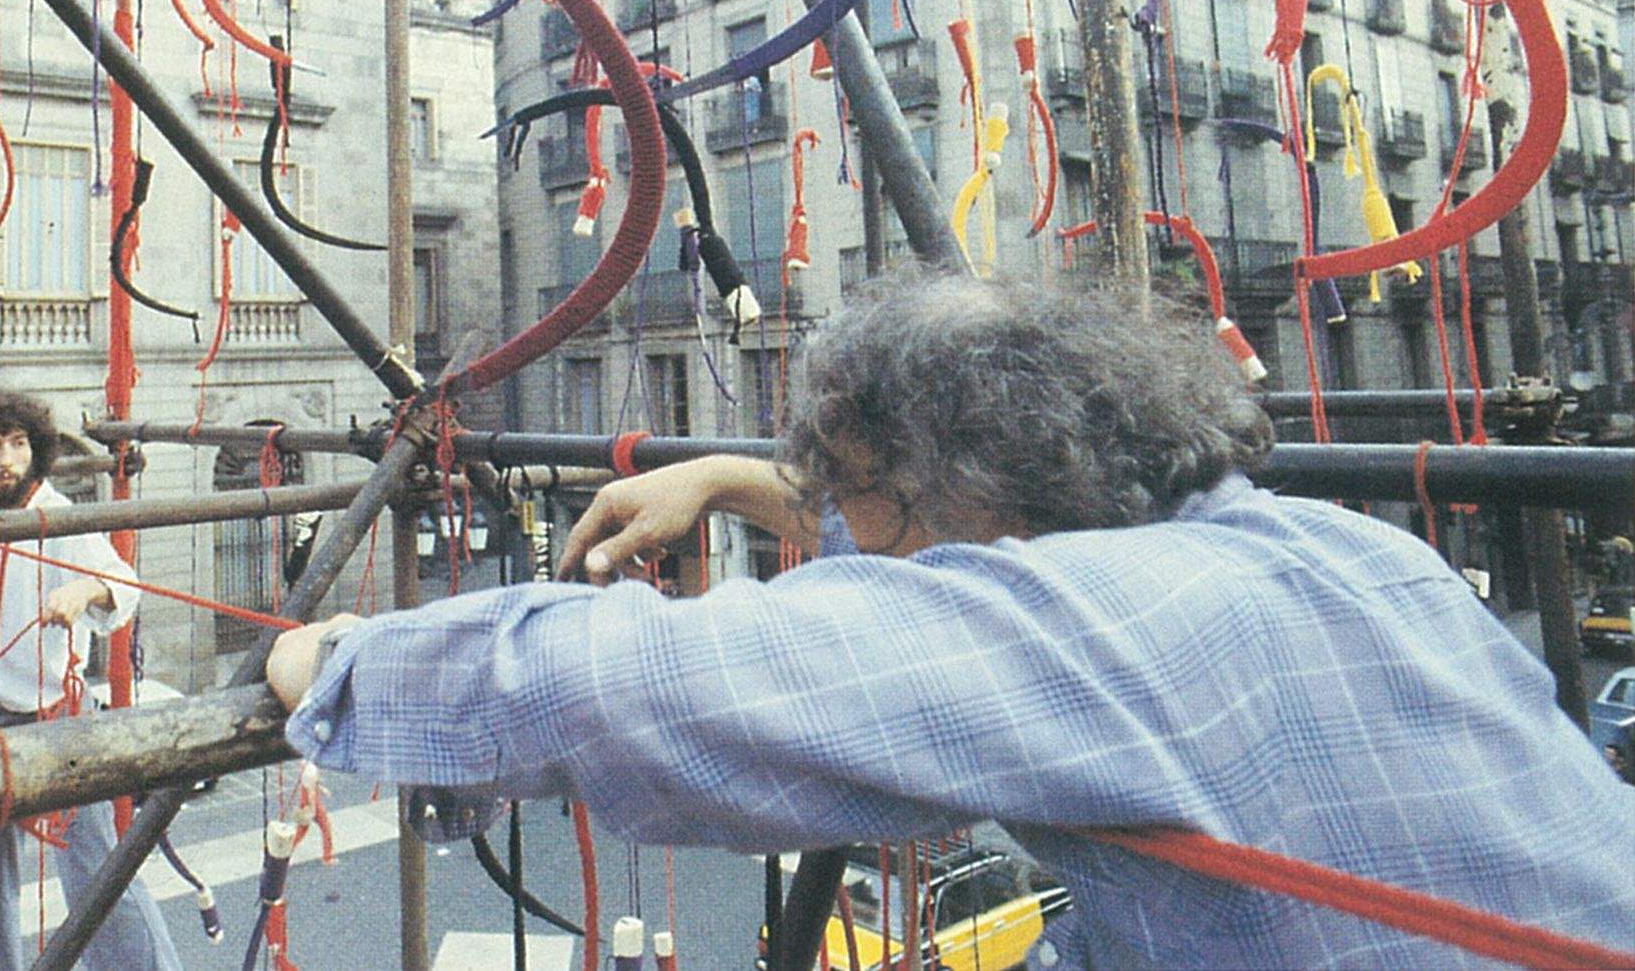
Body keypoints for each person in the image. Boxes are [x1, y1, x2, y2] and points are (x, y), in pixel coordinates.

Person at [268, 275, 1635, 967]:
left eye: (864, 506)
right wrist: (744, 478)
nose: (851, 543)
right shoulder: (1350, 554)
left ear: (965, 481)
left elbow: (652, 686)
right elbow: (960, 561)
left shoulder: (1090, 628)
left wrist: (337, 663)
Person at [0, 389, 183, 971]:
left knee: (95, 867)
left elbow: (123, 583)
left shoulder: (58, 514)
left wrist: (84, 589)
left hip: (54, 719)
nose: (7, 460)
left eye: (19, 444)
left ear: (36, 450)